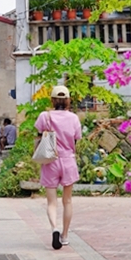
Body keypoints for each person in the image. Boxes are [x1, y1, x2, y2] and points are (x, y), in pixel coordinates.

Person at [35, 85, 81, 250]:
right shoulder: (74, 118)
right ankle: (65, 235)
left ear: (52, 100)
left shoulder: (44, 116)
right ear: (68, 100)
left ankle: (54, 228)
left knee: (51, 202)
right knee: (67, 201)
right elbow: (76, 139)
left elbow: (39, 136)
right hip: (68, 161)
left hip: (50, 161)